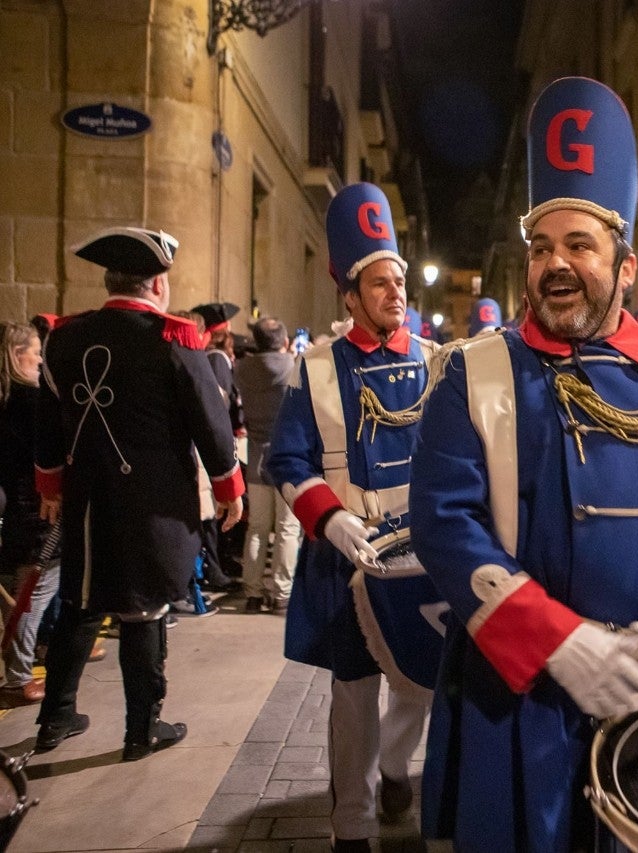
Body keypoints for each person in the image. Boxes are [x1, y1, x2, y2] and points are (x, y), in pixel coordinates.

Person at [409, 76, 638, 852]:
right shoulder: (474, 372)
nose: (555, 265)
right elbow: (442, 523)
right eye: (541, 248)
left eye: (579, 246)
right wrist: (556, 640)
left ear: (626, 267)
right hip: (520, 696)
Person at [267, 183, 440, 852]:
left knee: (420, 683)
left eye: (399, 281)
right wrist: (330, 518)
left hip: (420, 557)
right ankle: (351, 823)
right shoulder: (313, 371)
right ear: (351, 294)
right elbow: (286, 460)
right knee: (352, 693)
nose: (395, 293)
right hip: (348, 557)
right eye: (380, 281)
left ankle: (397, 767)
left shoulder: (432, 364)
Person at [33, 226, 244, 760]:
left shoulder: (66, 335)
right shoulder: (171, 340)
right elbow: (211, 424)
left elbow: (48, 424)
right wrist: (227, 487)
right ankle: (140, 731)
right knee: (143, 609)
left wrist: (51, 484)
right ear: (157, 284)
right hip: (154, 506)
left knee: (80, 603)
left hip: (85, 500)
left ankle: (54, 719)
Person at [0, 322, 61, 705]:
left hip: (10, 507)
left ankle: (30, 657)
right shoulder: (31, 400)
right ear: (15, 354)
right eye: (35, 351)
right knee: (34, 593)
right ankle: (17, 678)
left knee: (20, 591)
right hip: (34, 506)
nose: (40, 358)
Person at [234, 317, 301, 614]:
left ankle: (252, 593)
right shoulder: (295, 366)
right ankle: (282, 594)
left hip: (257, 454)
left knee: (257, 528)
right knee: (287, 527)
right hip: (289, 457)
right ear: (284, 341)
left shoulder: (242, 370)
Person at [191, 301, 246, 591]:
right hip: (211, 446)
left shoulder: (208, 358)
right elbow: (218, 406)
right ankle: (214, 568)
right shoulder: (217, 360)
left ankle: (215, 565)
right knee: (212, 511)